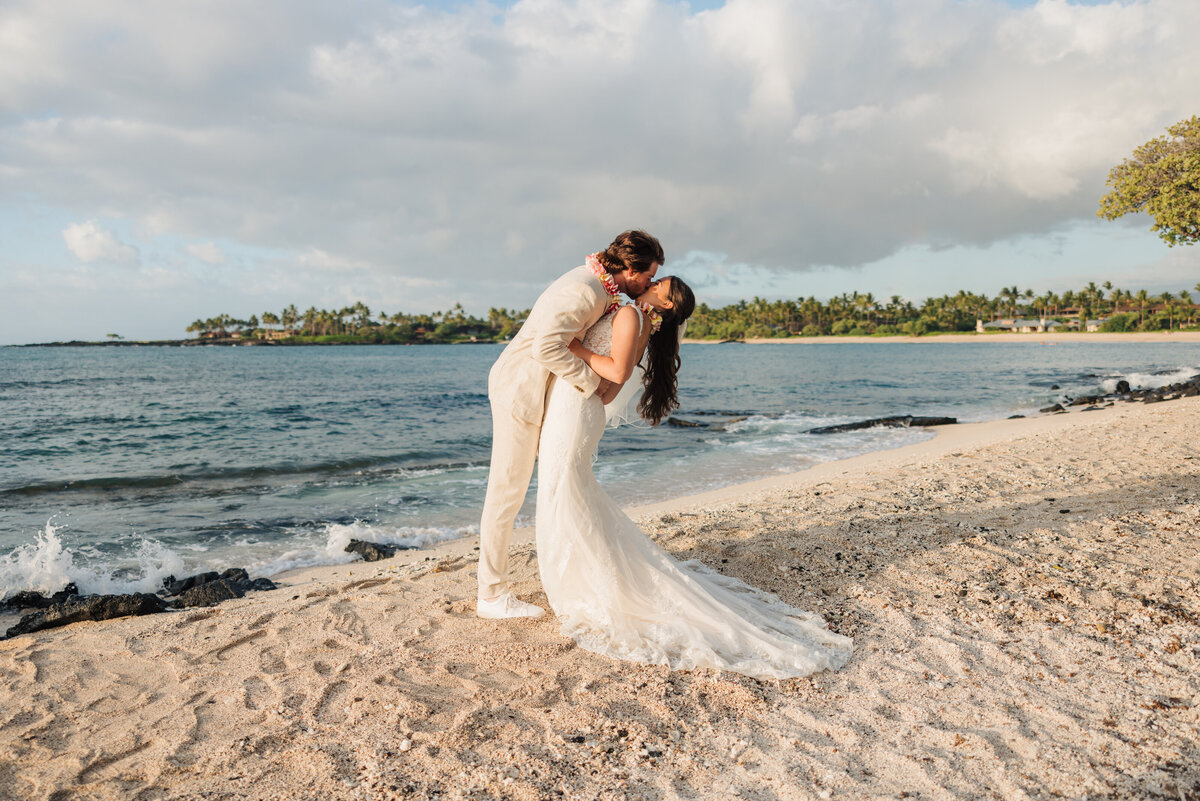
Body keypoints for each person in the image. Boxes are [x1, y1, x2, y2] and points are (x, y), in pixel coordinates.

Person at [535, 276, 854, 679]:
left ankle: (582, 582)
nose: (649, 284)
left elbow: (613, 377)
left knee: (564, 490)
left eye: (658, 286)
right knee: (568, 490)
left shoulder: (632, 315)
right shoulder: (639, 321)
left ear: (665, 305)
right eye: (653, 280)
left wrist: (575, 348)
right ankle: (582, 575)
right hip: (579, 408)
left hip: (576, 410)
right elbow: (612, 390)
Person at [476, 230, 662, 619]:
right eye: (648, 276)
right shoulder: (585, 289)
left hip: (537, 393)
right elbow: (546, 346)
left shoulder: (596, 286)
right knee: (506, 492)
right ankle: (491, 595)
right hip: (519, 391)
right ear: (629, 268)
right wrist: (592, 383)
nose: (648, 284)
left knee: (520, 489)